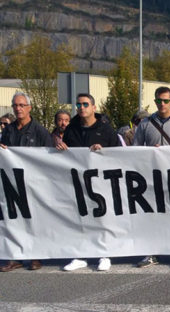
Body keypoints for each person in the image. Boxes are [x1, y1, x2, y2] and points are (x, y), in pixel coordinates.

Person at [56, 93, 120, 271]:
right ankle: (81, 255)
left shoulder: (106, 129)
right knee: (79, 218)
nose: (81, 107)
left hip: (101, 182)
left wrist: (104, 151)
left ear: (93, 107)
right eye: (78, 104)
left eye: (85, 104)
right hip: (77, 182)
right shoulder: (71, 129)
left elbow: (120, 155)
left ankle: (104, 254)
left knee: (102, 217)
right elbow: (66, 154)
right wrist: (62, 149)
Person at [133, 86, 170, 268]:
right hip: (151, 178)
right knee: (152, 215)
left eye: (165, 100)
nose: (162, 104)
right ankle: (152, 252)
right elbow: (135, 151)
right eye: (159, 100)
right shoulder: (145, 124)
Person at [0, 92, 54, 272]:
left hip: (33, 183)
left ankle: (36, 256)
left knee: (34, 220)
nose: (18, 108)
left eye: (22, 105)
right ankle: (16, 257)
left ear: (29, 108)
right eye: (15, 105)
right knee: (14, 220)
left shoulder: (40, 131)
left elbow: (48, 157)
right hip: (13, 182)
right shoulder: (8, 130)